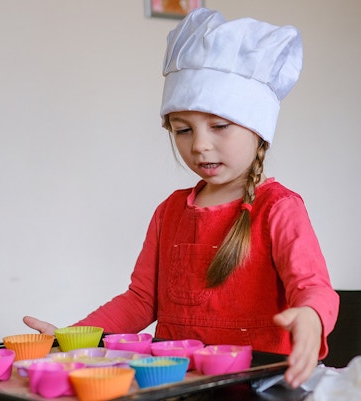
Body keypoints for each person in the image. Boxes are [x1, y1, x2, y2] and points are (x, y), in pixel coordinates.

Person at [23, 8, 339, 388]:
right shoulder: (169, 211)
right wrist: (70, 340)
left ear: (258, 130)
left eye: (219, 126)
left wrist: (310, 315)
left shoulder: (278, 208)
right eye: (182, 130)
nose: (200, 146)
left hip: (258, 387)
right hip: (178, 387)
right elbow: (141, 300)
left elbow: (314, 287)